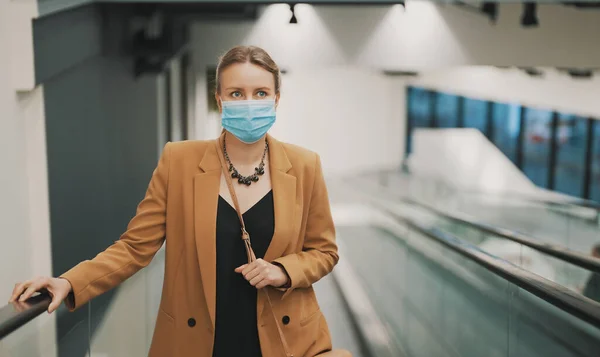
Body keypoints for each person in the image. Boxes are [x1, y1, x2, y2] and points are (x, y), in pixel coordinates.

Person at [10, 45, 342, 357]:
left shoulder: (304, 166)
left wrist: (284, 270)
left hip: (283, 342)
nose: (249, 102)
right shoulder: (179, 161)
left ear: (276, 99)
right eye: (236, 93)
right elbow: (134, 248)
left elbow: (324, 252)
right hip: (197, 340)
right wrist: (68, 282)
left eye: (260, 93)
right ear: (219, 98)